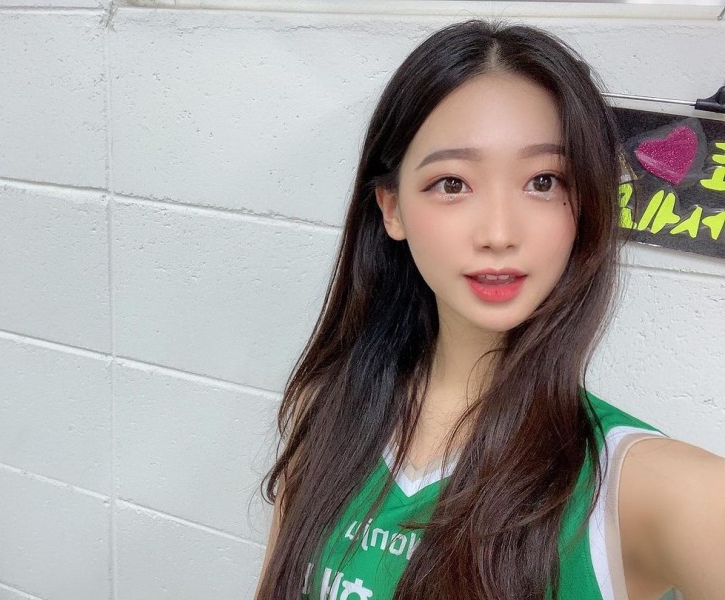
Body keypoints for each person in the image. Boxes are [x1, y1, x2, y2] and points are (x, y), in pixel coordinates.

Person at [253, 19, 725, 600]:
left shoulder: (654, 490)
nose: (499, 233)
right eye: (452, 184)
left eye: (544, 181)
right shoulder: (326, 411)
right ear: (392, 209)